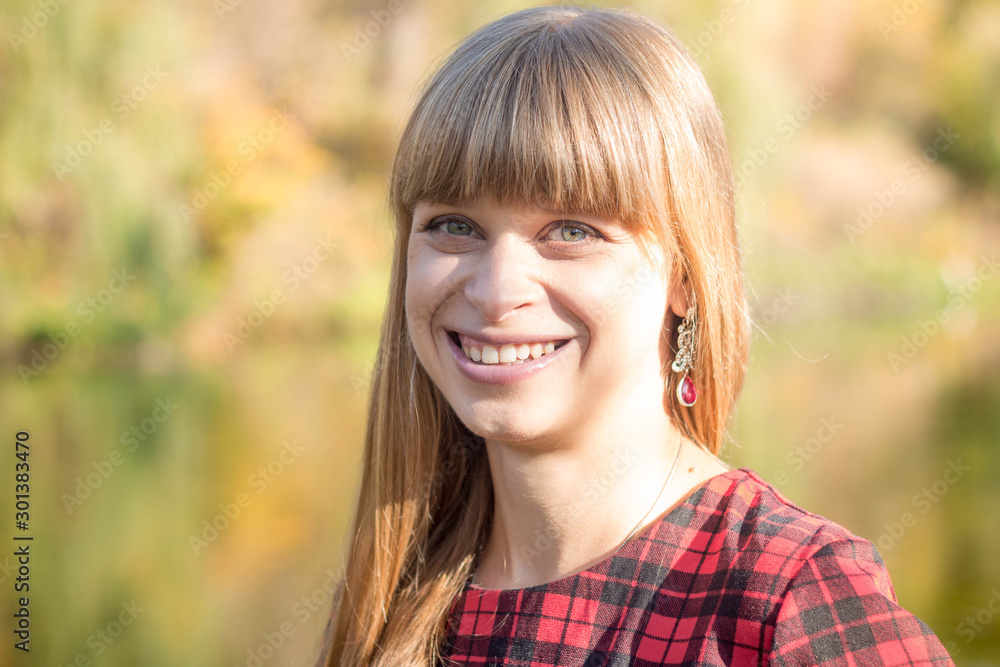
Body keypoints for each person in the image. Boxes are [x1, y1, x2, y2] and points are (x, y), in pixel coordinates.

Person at [317, 6, 954, 666]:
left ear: (683, 273)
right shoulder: (392, 597)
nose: (496, 289)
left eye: (571, 231)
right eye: (455, 225)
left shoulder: (794, 599)